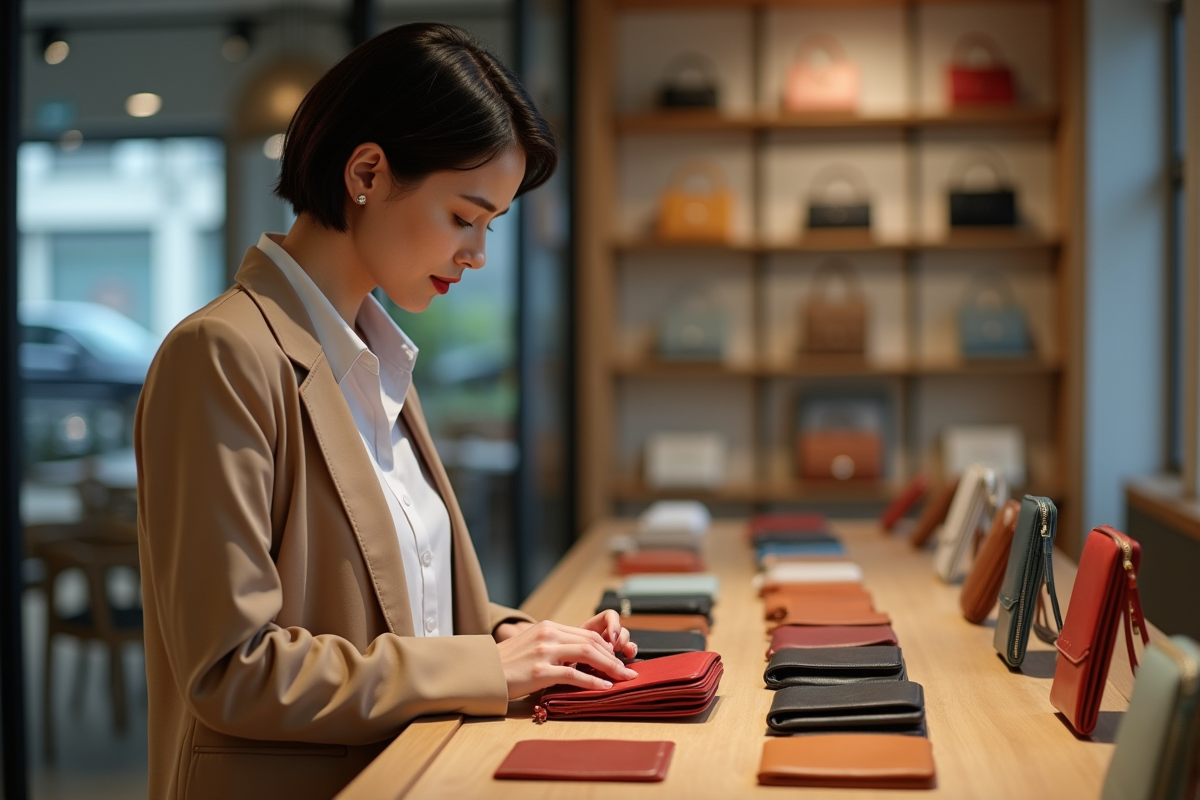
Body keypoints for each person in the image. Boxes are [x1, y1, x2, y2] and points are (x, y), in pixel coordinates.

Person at [135, 23, 636, 800]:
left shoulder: (377, 359)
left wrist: (526, 640)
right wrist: (487, 665)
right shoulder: (222, 355)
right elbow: (232, 668)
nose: (477, 254)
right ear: (366, 172)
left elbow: (406, 612)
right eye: (464, 217)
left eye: (490, 226)